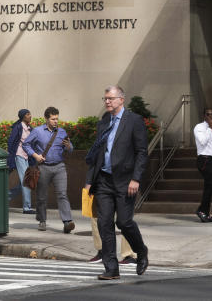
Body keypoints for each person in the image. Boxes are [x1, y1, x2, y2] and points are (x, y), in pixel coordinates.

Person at [86, 86, 149, 280]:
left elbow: (141, 152)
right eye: (105, 98)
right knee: (104, 224)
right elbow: (97, 153)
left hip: (125, 181)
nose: (107, 102)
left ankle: (141, 251)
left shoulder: (134, 121)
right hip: (104, 180)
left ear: (122, 100)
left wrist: (136, 178)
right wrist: (90, 180)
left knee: (124, 222)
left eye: (111, 99)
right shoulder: (104, 122)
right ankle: (111, 269)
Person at [24, 106, 74, 234]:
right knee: (41, 196)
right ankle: (42, 220)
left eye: (57, 119)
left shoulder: (62, 132)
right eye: (53, 119)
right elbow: (26, 144)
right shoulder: (37, 131)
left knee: (62, 194)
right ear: (46, 119)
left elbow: (70, 149)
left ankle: (67, 222)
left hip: (59, 167)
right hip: (43, 167)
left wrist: (69, 146)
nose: (56, 121)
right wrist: (35, 155)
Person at [7, 108, 35, 214]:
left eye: (30, 113)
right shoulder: (18, 127)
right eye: (28, 114)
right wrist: (11, 157)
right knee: (26, 181)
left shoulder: (30, 129)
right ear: (23, 116)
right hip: (19, 156)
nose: (30, 116)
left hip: (28, 158)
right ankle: (27, 207)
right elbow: (11, 142)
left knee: (23, 184)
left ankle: (4, 199)